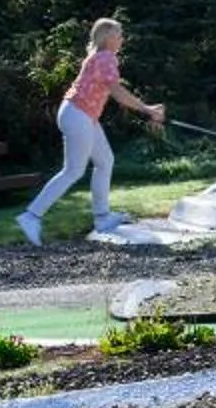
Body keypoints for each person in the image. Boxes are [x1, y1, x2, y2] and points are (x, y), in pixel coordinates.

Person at [16, 17, 165, 246]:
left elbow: (114, 91)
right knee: (73, 170)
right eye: (118, 35)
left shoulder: (101, 56)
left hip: (82, 115)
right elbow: (117, 92)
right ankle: (31, 216)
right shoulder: (106, 57)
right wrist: (147, 109)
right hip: (78, 115)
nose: (122, 39)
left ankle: (102, 218)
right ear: (107, 38)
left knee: (105, 161)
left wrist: (146, 109)